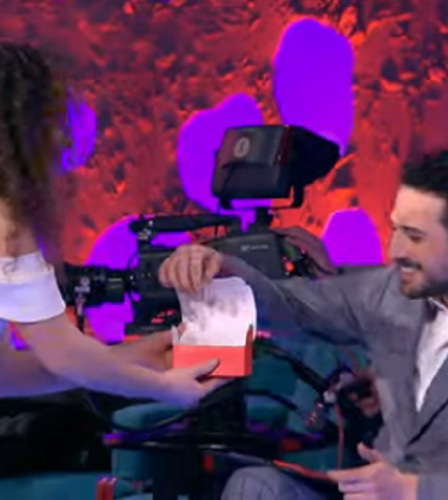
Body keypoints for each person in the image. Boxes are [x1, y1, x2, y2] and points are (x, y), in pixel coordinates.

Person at [0, 42, 221, 500]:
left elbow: (2, 371)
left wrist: (127, 357)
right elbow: (63, 356)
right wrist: (165, 387)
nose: (64, 136)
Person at [159, 151, 448, 500]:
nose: (395, 250)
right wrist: (222, 268)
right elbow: (294, 305)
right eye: (396, 230)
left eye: (415, 237)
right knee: (254, 486)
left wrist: (414, 490)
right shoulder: (395, 293)